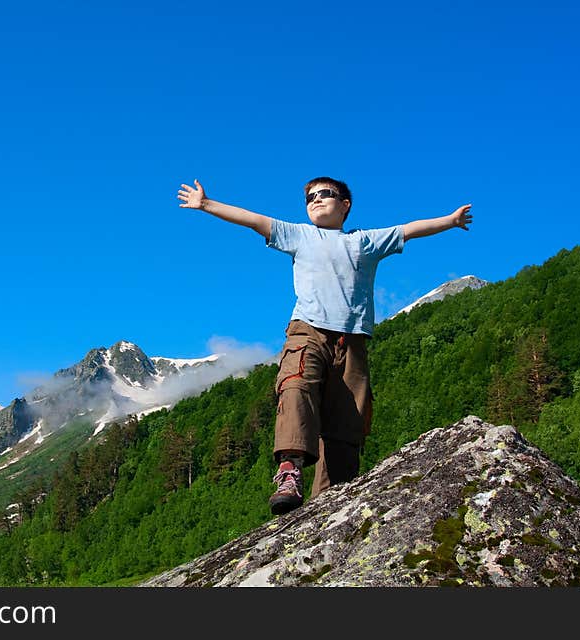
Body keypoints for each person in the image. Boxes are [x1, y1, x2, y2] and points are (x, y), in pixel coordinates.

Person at [177, 177, 472, 514]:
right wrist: (206, 204)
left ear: (345, 205)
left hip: (353, 342)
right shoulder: (299, 235)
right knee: (296, 385)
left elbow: (409, 229)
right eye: (310, 197)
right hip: (308, 332)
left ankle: (329, 507)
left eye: (325, 194)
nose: (316, 200)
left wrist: (450, 221)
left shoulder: (365, 241)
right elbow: (252, 218)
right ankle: (289, 471)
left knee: (348, 423)